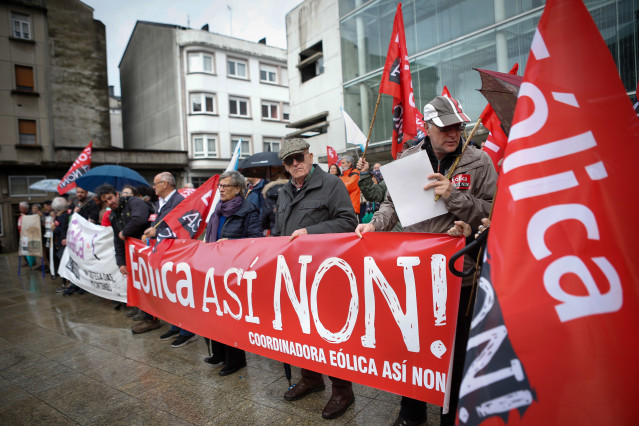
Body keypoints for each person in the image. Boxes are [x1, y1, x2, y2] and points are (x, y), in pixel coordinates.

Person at [355, 96, 497, 426]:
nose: (453, 133)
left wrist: (454, 196)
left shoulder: (480, 162)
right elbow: (391, 206)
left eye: (458, 126)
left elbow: (495, 212)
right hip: (416, 272)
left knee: (457, 351)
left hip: (461, 273)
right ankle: (411, 413)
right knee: (414, 347)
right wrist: (374, 224)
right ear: (427, 128)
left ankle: (453, 415)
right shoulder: (408, 160)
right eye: (445, 127)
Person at [276, 138, 358, 420]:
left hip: (325, 275)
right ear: (285, 166)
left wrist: (312, 231)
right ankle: (311, 379)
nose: (295, 163)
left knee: (330, 332)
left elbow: (348, 221)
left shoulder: (331, 184)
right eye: (289, 161)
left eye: (299, 157)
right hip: (294, 275)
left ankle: (342, 390)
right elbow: (280, 232)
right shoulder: (284, 192)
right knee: (300, 330)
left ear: (310, 156)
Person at [202, 170, 262, 375]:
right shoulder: (218, 209)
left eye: (225, 186)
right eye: (220, 186)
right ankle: (218, 353)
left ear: (238, 189)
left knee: (231, 317)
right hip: (214, 268)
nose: (221, 190)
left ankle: (235, 360)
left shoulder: (249, 209)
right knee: (215, 313)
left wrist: (232, 244)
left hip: (234, 272)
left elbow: (256, 240)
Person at [141, 173, 195, 347]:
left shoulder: (179, 201)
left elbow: (184, 228)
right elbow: (158, 222)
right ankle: (175, 325)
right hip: (164, 251)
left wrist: (158, 233)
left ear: (165, 184)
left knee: (180, 291)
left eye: (155, 183)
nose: (153, 187)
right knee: (169, 291)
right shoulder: (161, 202)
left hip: (177, 253)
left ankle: (187, 330)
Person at [98, 184, 153, 331]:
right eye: (106, 201)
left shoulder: (134, 202)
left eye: (110, 198)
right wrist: (120, 262)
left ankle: (154, 318)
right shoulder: (113, 215)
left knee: (153, 287)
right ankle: (149, 318)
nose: (110, 202)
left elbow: (139, 219)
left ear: (116, 194)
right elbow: (118, 240)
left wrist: (125, 232)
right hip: (135, 257)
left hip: (151, 252)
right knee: (142, 287)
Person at [356, 158, 402, 232]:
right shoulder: (390, 180)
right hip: (396, 232)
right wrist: (364, 173)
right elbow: (373, 194)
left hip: (422, 233)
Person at [261, 167, 288, 236]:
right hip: (292, 232)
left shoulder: (268, 194)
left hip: (274, 232)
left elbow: (264, 218)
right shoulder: (293, 191)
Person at [50, 197, 70, 292]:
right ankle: (65, 283)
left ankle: (66, 284)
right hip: (59, 243)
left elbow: (62, 229)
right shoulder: (62, 215)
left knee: (63, 264)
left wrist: (54, 228)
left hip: (62, 244)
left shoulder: (63, 216)